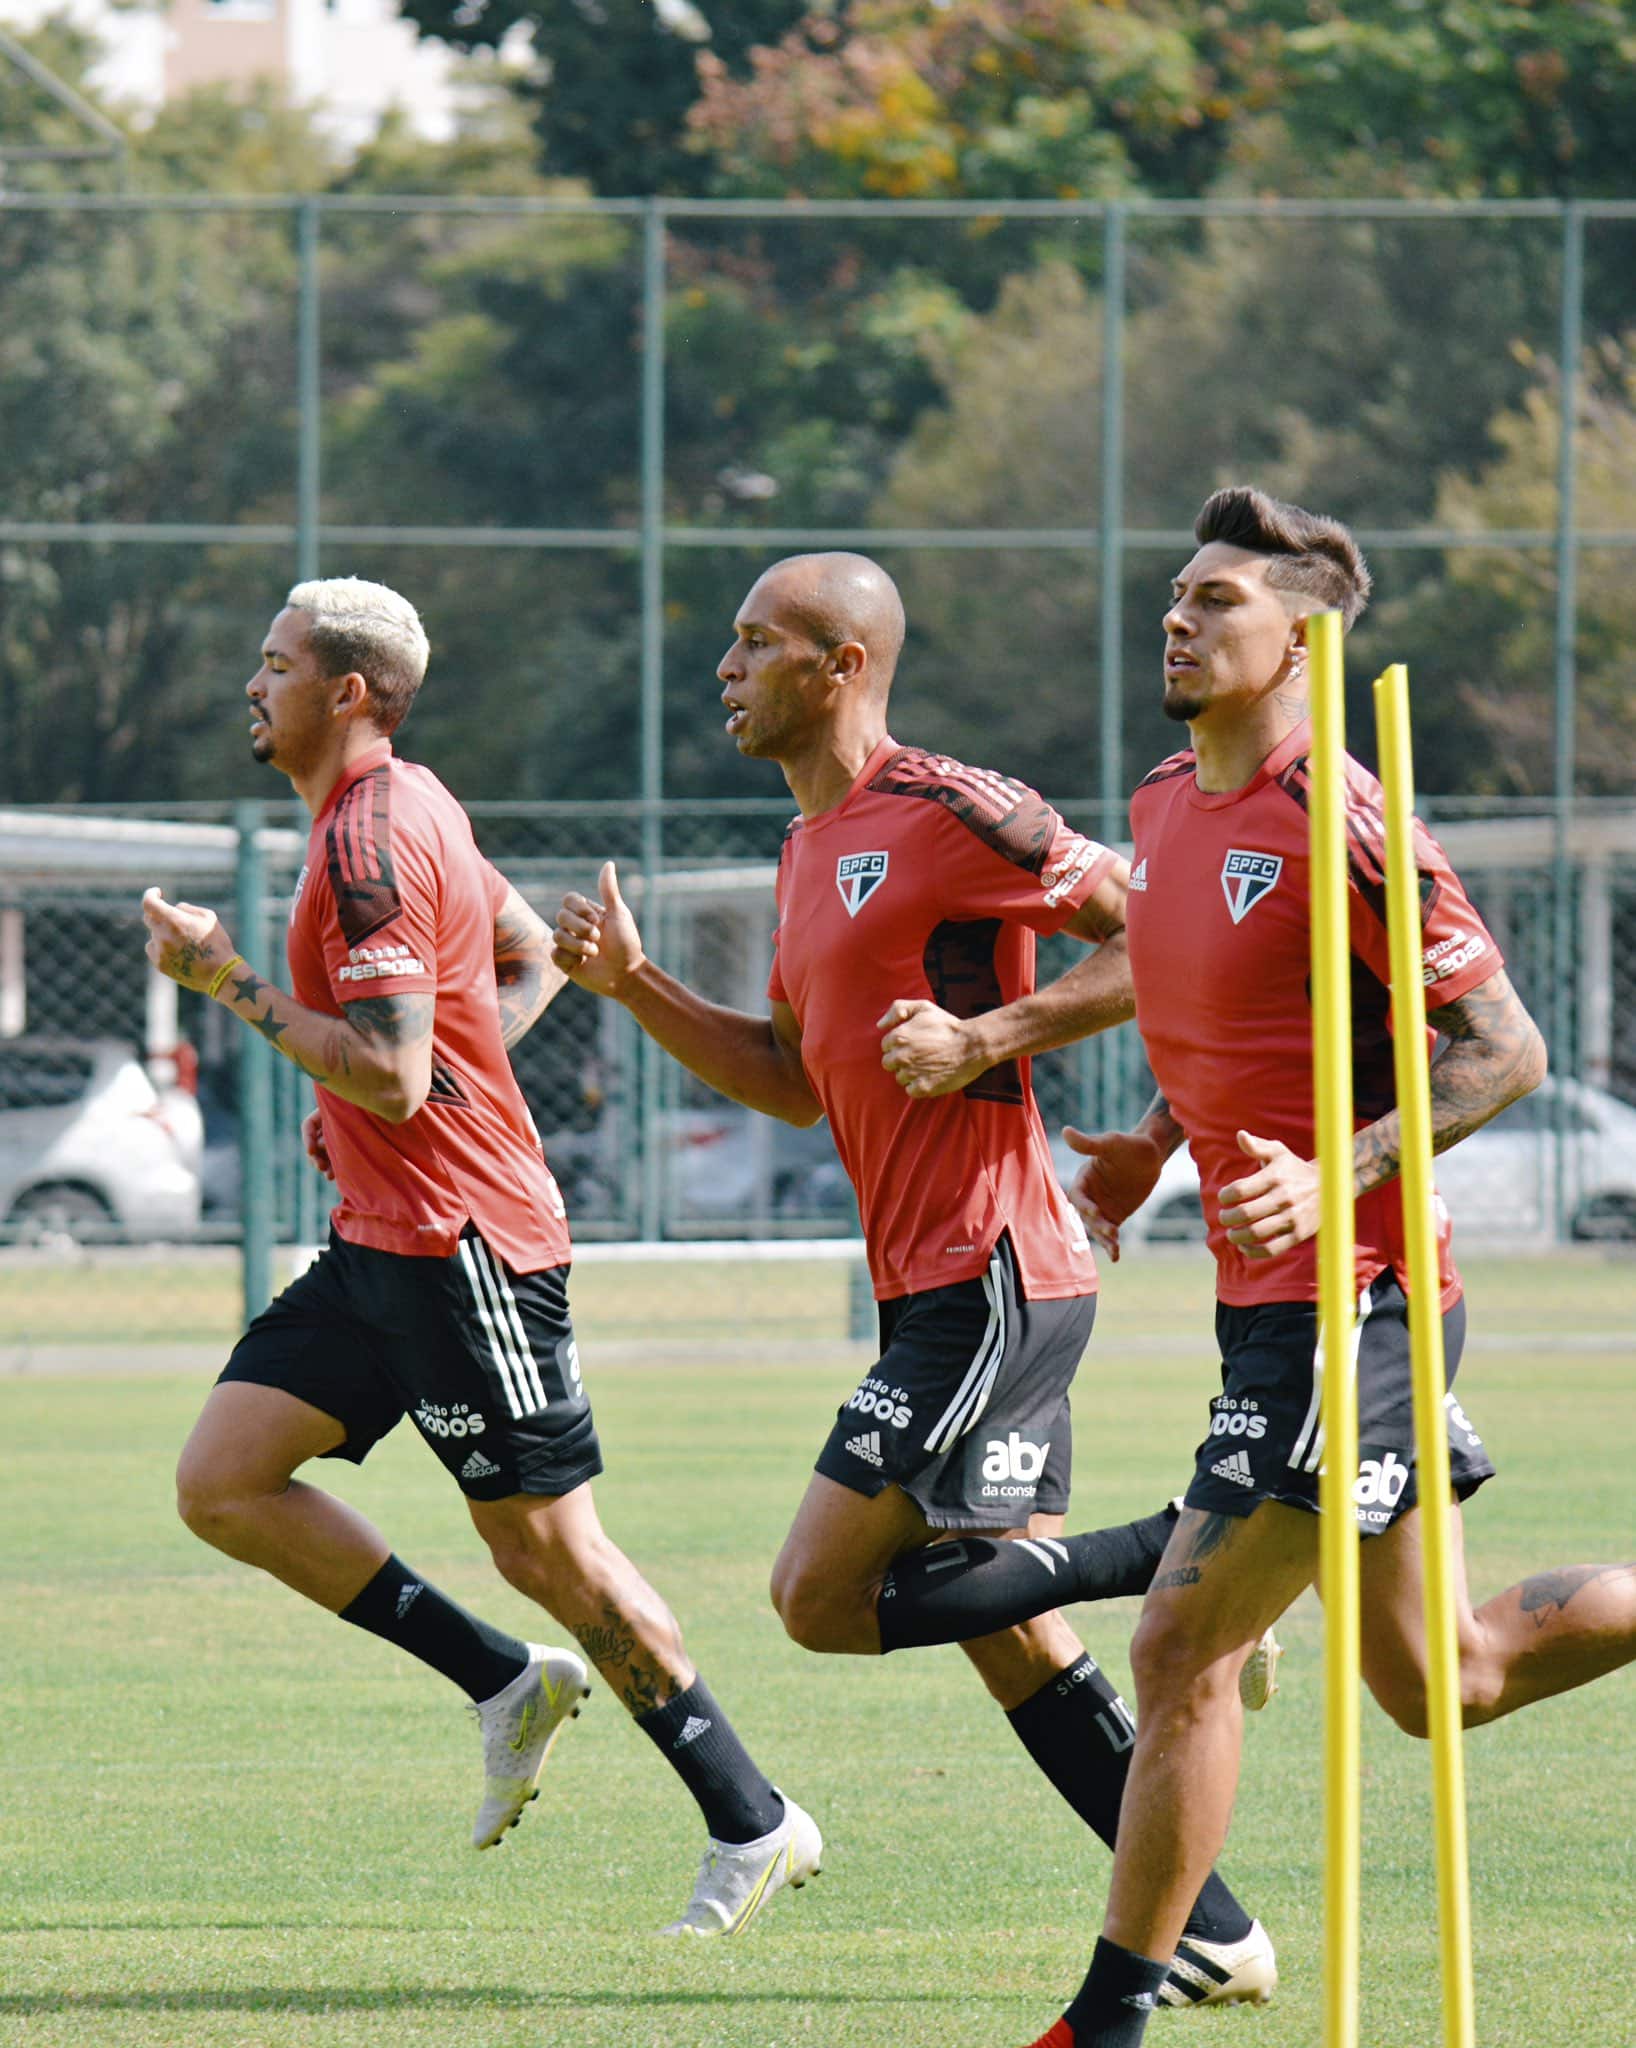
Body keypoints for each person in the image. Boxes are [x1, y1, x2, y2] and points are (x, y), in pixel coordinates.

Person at [884, 484, 1636, 2048]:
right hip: (1258, 1303)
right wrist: (1138, 1131)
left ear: (1302, 639)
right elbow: (1177, 974)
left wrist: (1345, 1166)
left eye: (1215, 600)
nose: (1179, 617)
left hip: (1361, 1299)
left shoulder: (1344, 814)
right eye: (1174, 595)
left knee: (1179, 1644)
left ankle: (1106, 2023)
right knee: (1447, 1685)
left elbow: (1504, 1049)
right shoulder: (1167, 800)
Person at [551, 550, 1276, 2009]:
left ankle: (1207, 1549)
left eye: (758, 644)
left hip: (995, 1270)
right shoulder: (806, 850)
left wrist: (991, 1035)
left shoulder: (947, 806)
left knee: (819, 1597)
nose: (726, 669)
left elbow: (1161, 931)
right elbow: (785, 1081)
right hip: (937, 1285)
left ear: (842, 665)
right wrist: (632, 985)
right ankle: (1219, 1932)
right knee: (1003, 1622)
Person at [141, 575, 819, 1937]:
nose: (251, 689)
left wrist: (226, 982)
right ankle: (506, 1684)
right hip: (379, 1241)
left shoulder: (372, 841)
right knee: (222, 1482)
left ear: (347, 692)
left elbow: (392, 1077)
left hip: (466, 1249)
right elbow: (524, 953)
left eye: (274, 666)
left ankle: (754, 1820)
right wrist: (457, 1064)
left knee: (552, 1550)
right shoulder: (399, 805)